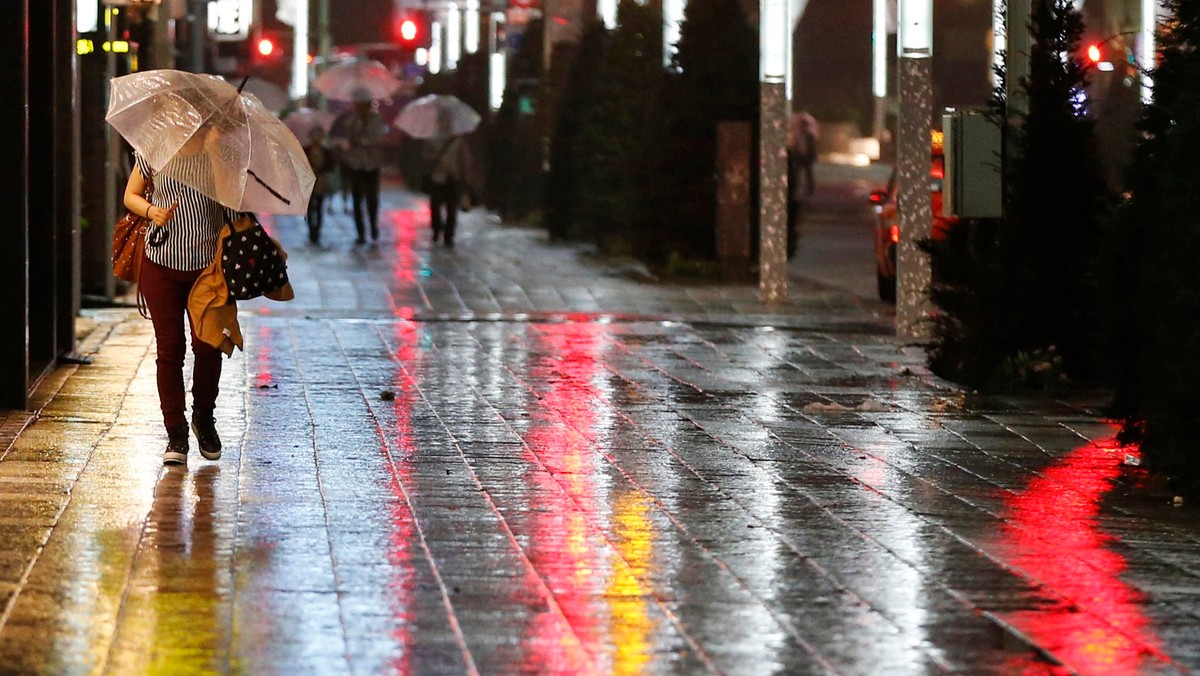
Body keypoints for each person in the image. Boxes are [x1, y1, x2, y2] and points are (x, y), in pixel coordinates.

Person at [123, 126, 237, 466]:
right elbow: (131, 195)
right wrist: (150, 211)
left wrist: (217, 155)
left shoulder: (220, 156)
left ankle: (204, 416)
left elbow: (234, 205)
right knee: (169, 349)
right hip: (160, 262)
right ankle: (175, 432)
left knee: (207, 344)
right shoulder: (154, 149)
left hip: (208, 269)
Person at [330, 88, 388, 245]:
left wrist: (362, 140)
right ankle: (360, 232)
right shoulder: (351, 120)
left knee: (372, 198)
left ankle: (373, 226)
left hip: (372, 163)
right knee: (357, 198)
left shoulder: (377, 120)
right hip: (355, 163)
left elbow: (378, 137)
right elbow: (347, 134)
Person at [421, 109, 475, 248]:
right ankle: (436, 228)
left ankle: (448, 235)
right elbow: (425, 156)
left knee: (452, 208)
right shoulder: (433, 137)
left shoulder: (458, 139)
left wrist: (466, 176)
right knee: (435, 206)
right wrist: (433, 158)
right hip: (437, 176)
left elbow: (464, 159)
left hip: (453, 177)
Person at [786, 111, 819, 259]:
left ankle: (810, 188)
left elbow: (812, 148)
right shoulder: (799, 134)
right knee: (801, 175)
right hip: (800, 159)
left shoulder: (808, 135)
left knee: (807, 174)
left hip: (805, 159)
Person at [303, 126, 334, 246]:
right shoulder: (305, 150)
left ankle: (318, 231)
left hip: (321, 181)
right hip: (309, 182)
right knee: (310, 208)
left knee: (320, 207)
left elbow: (331, 165)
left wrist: (321, 169)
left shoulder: (326, 151)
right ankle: (311, 230)